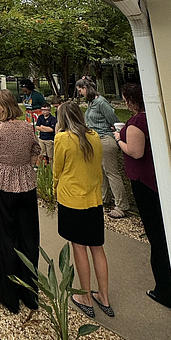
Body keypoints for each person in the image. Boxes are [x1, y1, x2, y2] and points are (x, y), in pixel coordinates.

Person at [116, 82, 171, 311]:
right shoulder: (156, 116)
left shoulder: (136, 122)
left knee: (157, 235)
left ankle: (165, 289)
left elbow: (135, 151)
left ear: (130, 100)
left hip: (144, 181)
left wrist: (118, 139)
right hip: (156, 179)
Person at [53, 102, 115, 319]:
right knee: (97, 247)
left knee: (79, 247)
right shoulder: (95, 136)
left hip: (72, 200)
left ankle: (86, 296)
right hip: (93, 199)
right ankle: (104, 297)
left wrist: (54, 188)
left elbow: (57, 168)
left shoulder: (62, 139)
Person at [0, 88, 41, 314]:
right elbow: (36, 150)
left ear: (1, 107)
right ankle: (29, 292)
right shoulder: (27, 126)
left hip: (3, 184)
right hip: (26, 183)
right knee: (28, 237)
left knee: (6, 236)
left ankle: (9, 295)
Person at [76, 77, 130, 219]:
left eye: (80, 89)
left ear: (86, 88)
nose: (80, 92)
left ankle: (122, 205)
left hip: (105, 139)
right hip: (95, 140)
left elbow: (113, 119)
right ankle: (103, 198)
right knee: (100, 172)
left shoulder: (101, 102)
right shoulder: (91, 103)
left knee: (111, 173)